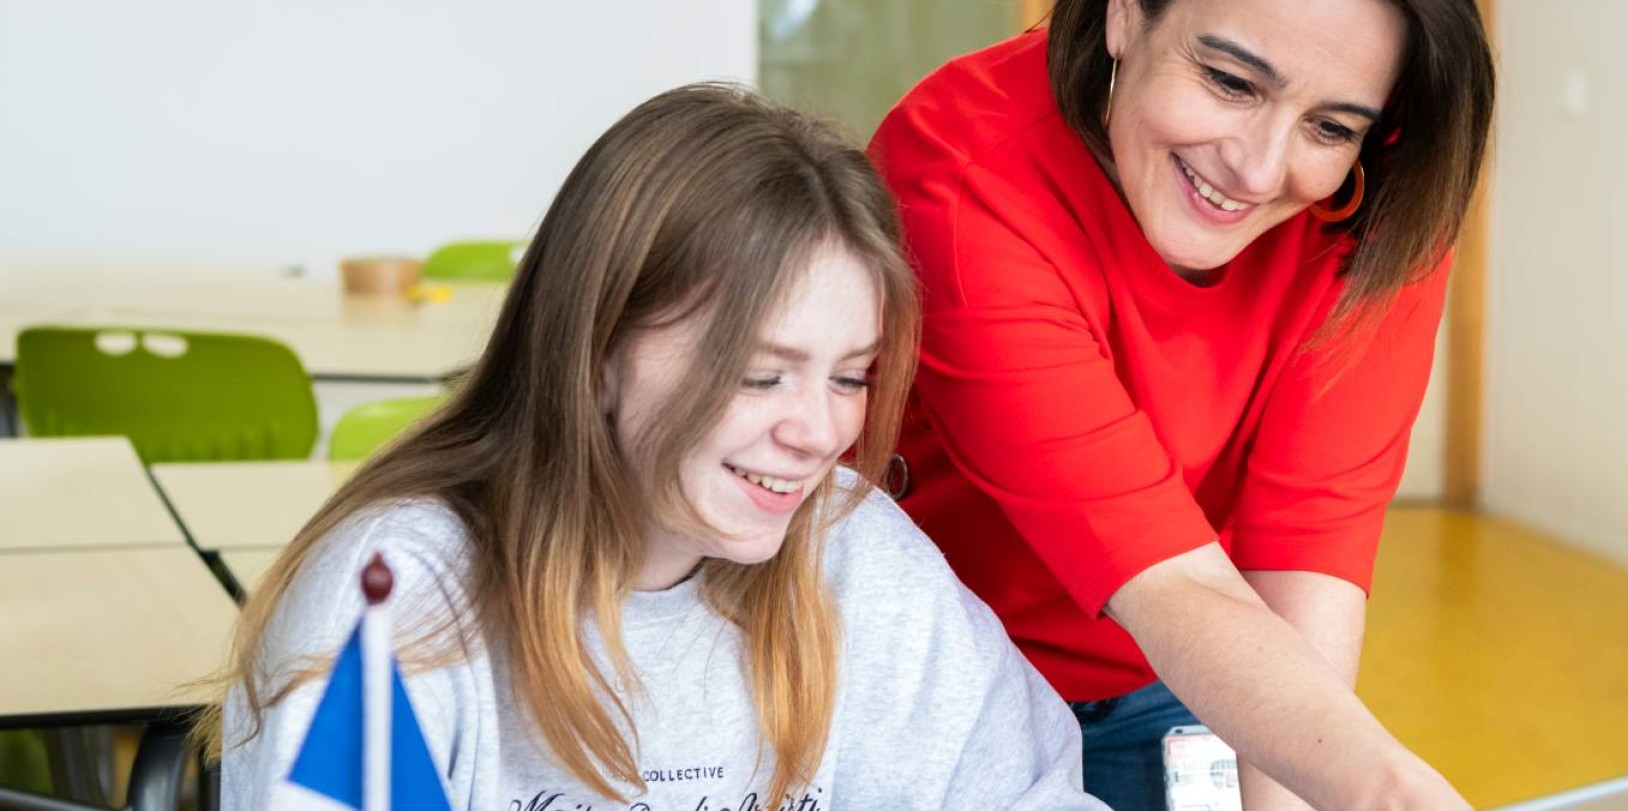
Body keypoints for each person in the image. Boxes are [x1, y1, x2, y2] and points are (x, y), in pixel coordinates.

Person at [201, 84, 1105, 810]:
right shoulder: (396, 599)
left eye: (849, 377)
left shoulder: (854, 553)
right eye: (759, 374)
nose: (821, 433)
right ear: (595, 351)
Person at [868, 0, 1495, 807]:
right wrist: (1384, 787)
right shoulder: (963, 171)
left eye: (1332, 128)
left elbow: (1307, 552)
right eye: (1231, 80)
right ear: (1125, 14)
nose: (1260, 170)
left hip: (1190, 666)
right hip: (935, 678)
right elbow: (1161, 577)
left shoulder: (1390, 198)